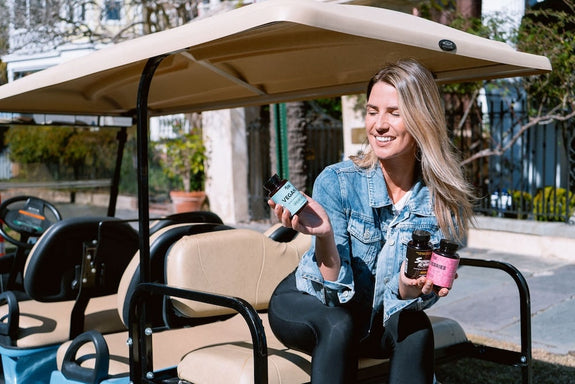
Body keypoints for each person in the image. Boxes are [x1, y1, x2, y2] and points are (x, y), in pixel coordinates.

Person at [267, 59, 475, 384]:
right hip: (310, 302)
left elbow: (413, 298)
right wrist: (324, 236)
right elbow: (334, 291)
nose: (378, 124)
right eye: (372, 110)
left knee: (415, 328)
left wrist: (408, 287)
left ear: (423, 120)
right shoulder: (337, 181)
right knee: (339, 323)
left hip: (372, 319)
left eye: (394, 112)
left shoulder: (443, 204)